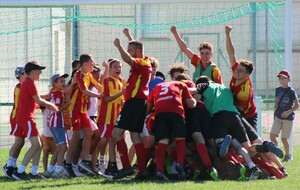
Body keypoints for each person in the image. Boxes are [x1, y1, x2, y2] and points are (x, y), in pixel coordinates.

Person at [194, 76, 284, 180]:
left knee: (217, 145)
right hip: (236, 117)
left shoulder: (205, 87)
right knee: (247, 149)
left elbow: (194, 92)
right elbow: (238, 105)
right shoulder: (226, 90)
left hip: (219, 116)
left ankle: (222, 144)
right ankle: (264, 147)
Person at [112, 38, 152, 180]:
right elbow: (132, 56)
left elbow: (128, 59)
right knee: (135, 136)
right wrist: (128, 36)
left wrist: (119, 46)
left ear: (139, 51)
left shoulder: (141, 63)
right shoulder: (143, 63)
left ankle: (127, 168)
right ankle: (142, 170)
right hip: (137, 103)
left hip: (134, 103)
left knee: (116, 134)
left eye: (131, 50)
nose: (128, 52)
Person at [12, 61, 59, 181]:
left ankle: (34, 172)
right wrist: (51, 105)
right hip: (26, 118)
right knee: (36, 144)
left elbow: (34, 100)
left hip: (27, 117)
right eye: (39, 70)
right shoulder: (29, 83)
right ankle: (19, 171)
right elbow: (38, 100)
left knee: (39, 144)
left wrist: (47, 101)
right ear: (32, 72)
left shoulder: (29, 82)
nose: (41, 73)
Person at [147, 80, 196, 180]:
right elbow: (191, 104)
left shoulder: (157, 86)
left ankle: (160, 170)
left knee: (162, 141)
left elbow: (148, 107)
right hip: (176, 111)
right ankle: (180, 163)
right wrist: (195, 100)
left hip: (160, 114)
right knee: (180, 139)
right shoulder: (181, 84)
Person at [63, 54, 103, 177]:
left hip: (82, 110)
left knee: (89, 133)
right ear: (85, 64)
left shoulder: (89, 75)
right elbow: (84, 90)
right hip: (73, 109)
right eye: (92, 61)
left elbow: (99, 87)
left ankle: (85, 160)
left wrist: (110, 92)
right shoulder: (79, 74)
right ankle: (67, 162)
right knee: (75, 137)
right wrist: (99, 96)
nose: (94, 64)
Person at [98, 58, 126, 177]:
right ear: (110, 69)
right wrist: (121, 93)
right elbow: (107, 98)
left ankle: (112, 165)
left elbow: (120, 101)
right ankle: (101, 164)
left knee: (112, 141)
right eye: (115, 67)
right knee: (106, 140)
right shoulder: (107, 81)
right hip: (107, 117)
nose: (118, 69)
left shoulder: (119, 82)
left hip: (115, 117)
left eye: (120, 67)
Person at [43, 72, 70, 178]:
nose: (63, 83)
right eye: (61, 81)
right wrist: (67, 104)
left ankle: (50, 170)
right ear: (54, 83)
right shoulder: (57, 93)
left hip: (57, 121)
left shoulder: (56, 92)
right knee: (64, 146)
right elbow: (57, 109)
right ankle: (58, 170)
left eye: (64, 81)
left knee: (60, 147)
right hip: (57, 121)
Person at [2, 67, 27, 178]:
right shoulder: (19, 87)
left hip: (21, 117)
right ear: (20, 76)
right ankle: (9, 165)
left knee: (21, 142)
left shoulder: (24, 86)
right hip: (16, 117)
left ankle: (12, 164)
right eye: (25, 73)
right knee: (18, 142)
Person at [270, 70, 299, 162]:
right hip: (278, 117)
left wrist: (289, 112)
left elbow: (297, 105)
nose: (282, 80)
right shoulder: (277, 89)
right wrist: (275, 112)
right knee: (272, 135)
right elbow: (276, 101)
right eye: (280, 78)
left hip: (288, 119)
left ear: (288, 79)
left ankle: (288, 155)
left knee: (284, 138)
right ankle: (277, 153)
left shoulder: (291, 91)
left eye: (284, 78)